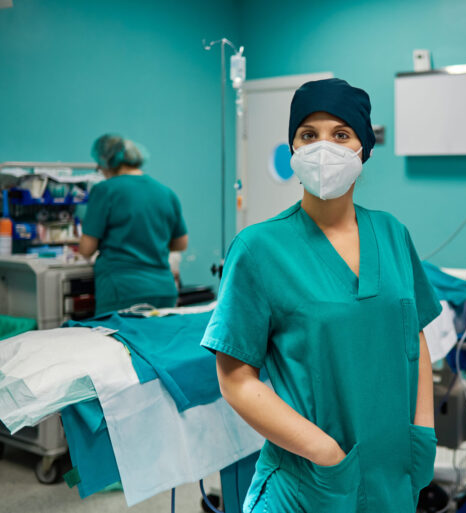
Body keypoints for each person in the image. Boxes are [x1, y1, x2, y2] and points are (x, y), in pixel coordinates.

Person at [201, 78, 442, 512]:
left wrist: (422, 431)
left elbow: (415, 336)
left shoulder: (391, 233)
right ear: (293, 149)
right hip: (310, 481)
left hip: (392, 475)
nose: (323, 148)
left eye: (341, 134)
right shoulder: (259, 248)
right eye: (308, 135)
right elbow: (235, 379)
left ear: (363, 150)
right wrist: (325, 453)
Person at [79, 134, 188, 315]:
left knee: (121, 342)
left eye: (100, 162)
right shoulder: (165, 192)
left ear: (110, 162)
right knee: (156, 341)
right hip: (163, 289)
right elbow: (180, 243)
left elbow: (86, 248)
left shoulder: (105, 190)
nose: (99, 167)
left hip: (122, 290)